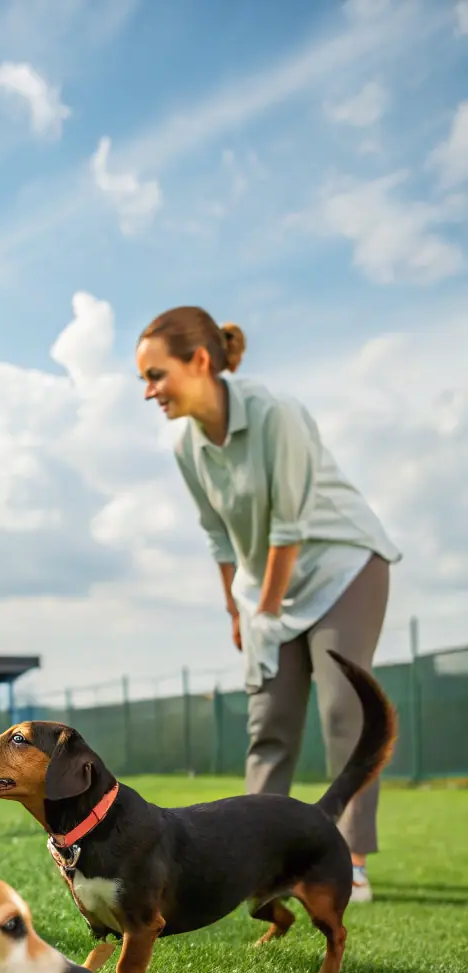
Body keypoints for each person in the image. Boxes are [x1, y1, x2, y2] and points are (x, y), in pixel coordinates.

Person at [136, 306, 400, 903]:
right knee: (270, 725)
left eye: (157, 376)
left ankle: (350, 858)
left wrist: (265, 611)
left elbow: (289, 526)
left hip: (343, 566)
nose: (150, 392)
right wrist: (240, 613)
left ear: (200, 362)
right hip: (267, 592)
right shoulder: (187, 444)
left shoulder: (276, 413)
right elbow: (219, 537)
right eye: (144, 381)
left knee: (342, 707)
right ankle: (256, 863)